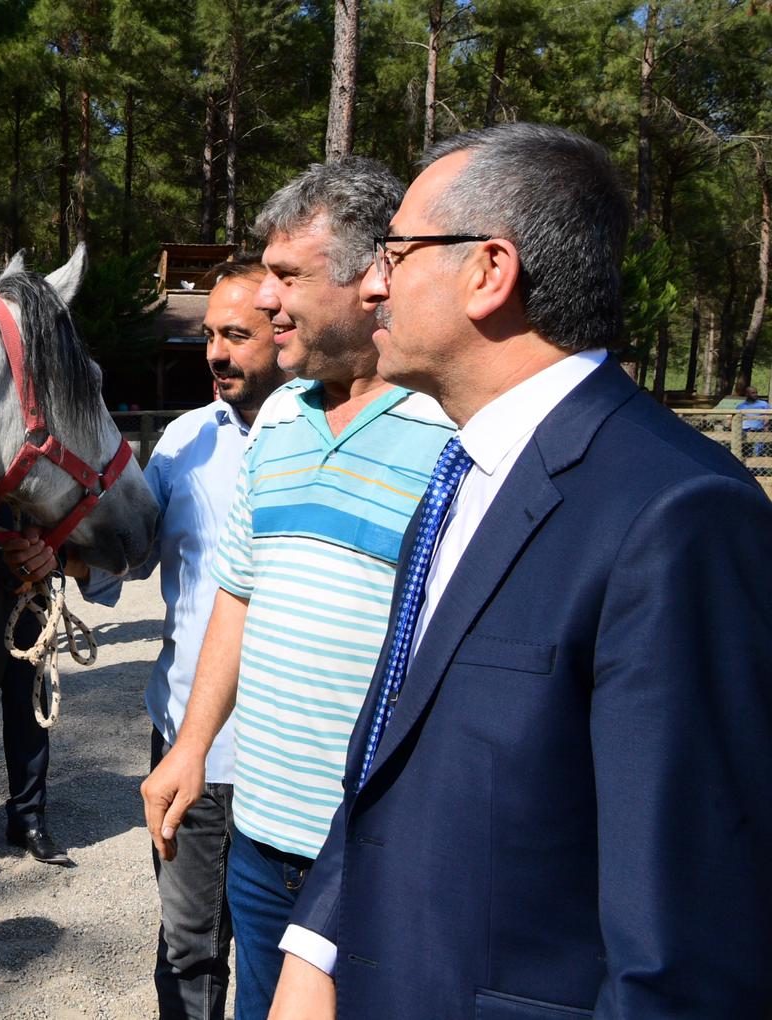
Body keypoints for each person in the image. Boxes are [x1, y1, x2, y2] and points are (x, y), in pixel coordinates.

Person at [272, 123, 772, 1019]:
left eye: (395, 250)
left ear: (489, 271)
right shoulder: (463, 470)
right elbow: (396, 743)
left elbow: (687, 942)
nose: (373, 281)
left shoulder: (680, 514)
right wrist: (315, 946)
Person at [139, 159, 454, 1020]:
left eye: (287, 277)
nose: (268, 299)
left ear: (373, 278)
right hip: (258, 833)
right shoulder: (278, 420)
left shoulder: (449, 432)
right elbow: (239, 593)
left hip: (371, 850)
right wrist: (192, 744)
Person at [36, 256, 285, 1018]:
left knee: (288, 962)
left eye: (236, 335)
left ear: (287, 330)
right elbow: (132, 558)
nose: (214, 352)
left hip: (293, 755)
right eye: (210, 334)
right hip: (187, 744)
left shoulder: (323, 437)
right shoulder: (183, 441)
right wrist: (62, 557)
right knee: (187, 947)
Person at [0, 517, 112, 876]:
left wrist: (45, 556)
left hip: (29, 598)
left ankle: (28, 818)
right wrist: (20, 560)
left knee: (29, 716)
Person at [736, 384, 769, 459]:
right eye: (753, 393)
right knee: (744, 452)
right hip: (744, 431)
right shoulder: (741, 406)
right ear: (747, 394)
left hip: (759, 430)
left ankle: (756, 468)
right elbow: (736, 419)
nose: (755, 394)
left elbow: (768, 416)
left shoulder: (763, 404)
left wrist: (766, 426)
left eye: (756, 392)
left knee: (758, 452)